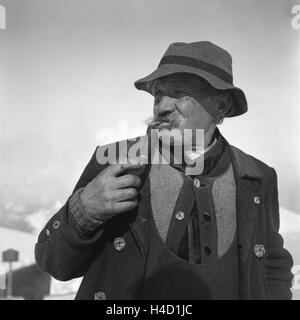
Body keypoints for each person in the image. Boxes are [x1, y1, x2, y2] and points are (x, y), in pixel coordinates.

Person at [35, 41, 294, 300]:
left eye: (179, 93)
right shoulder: (115, 162)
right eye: (159, 94)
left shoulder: (258, 177)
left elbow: (272, 267)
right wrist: (84, 211)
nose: (162, 107)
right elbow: (54, 263)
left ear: (221, 106)